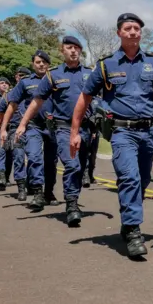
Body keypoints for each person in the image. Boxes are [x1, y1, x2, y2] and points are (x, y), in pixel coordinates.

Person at [70, 13, 153, 257]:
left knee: (143, 181)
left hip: (148, 131)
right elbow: (84, 97)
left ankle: (128, 223)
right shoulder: (106, 65)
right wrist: (74, 132)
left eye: (137, 28)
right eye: (128, 28)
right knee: (129, 178)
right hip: (121, 132)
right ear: (119, 33)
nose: (133, 32)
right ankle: (134, 231)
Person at [15, 36, 93, 227]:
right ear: (62, 51)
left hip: (85, 128)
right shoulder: (53, 75)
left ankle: (72, 197)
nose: (73, 51)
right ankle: (72, 205)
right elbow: (37, 101)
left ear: (80, 51)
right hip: (64, 128)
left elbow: (104, 97)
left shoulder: (91, 74)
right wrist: (23, 123)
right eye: (69, 47)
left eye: (76, 47)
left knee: (81, 168)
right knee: (72, 165)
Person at [0, 51, 58, 209]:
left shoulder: (56, 78)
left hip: (54, 127)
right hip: (33, 126)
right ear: (33, 64)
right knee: (34, 156)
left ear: (48, 64)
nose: (41, 64)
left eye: (44, 61)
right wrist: (3, 129)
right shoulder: (25, 82)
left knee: (51, 162)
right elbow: (12, 105)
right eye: (38, 62)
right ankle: (37, 193)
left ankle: (49, 192)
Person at [0, 67, 32, 201]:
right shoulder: (9, 94)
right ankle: (21, 187)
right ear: (16, 77)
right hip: (15, 130)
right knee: (19, 158)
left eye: (25, 75)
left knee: (34, 158)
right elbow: (0, 113)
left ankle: (33, 185)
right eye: (20, 75)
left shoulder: (36, 91)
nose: (22, 77)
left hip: (33, 128)